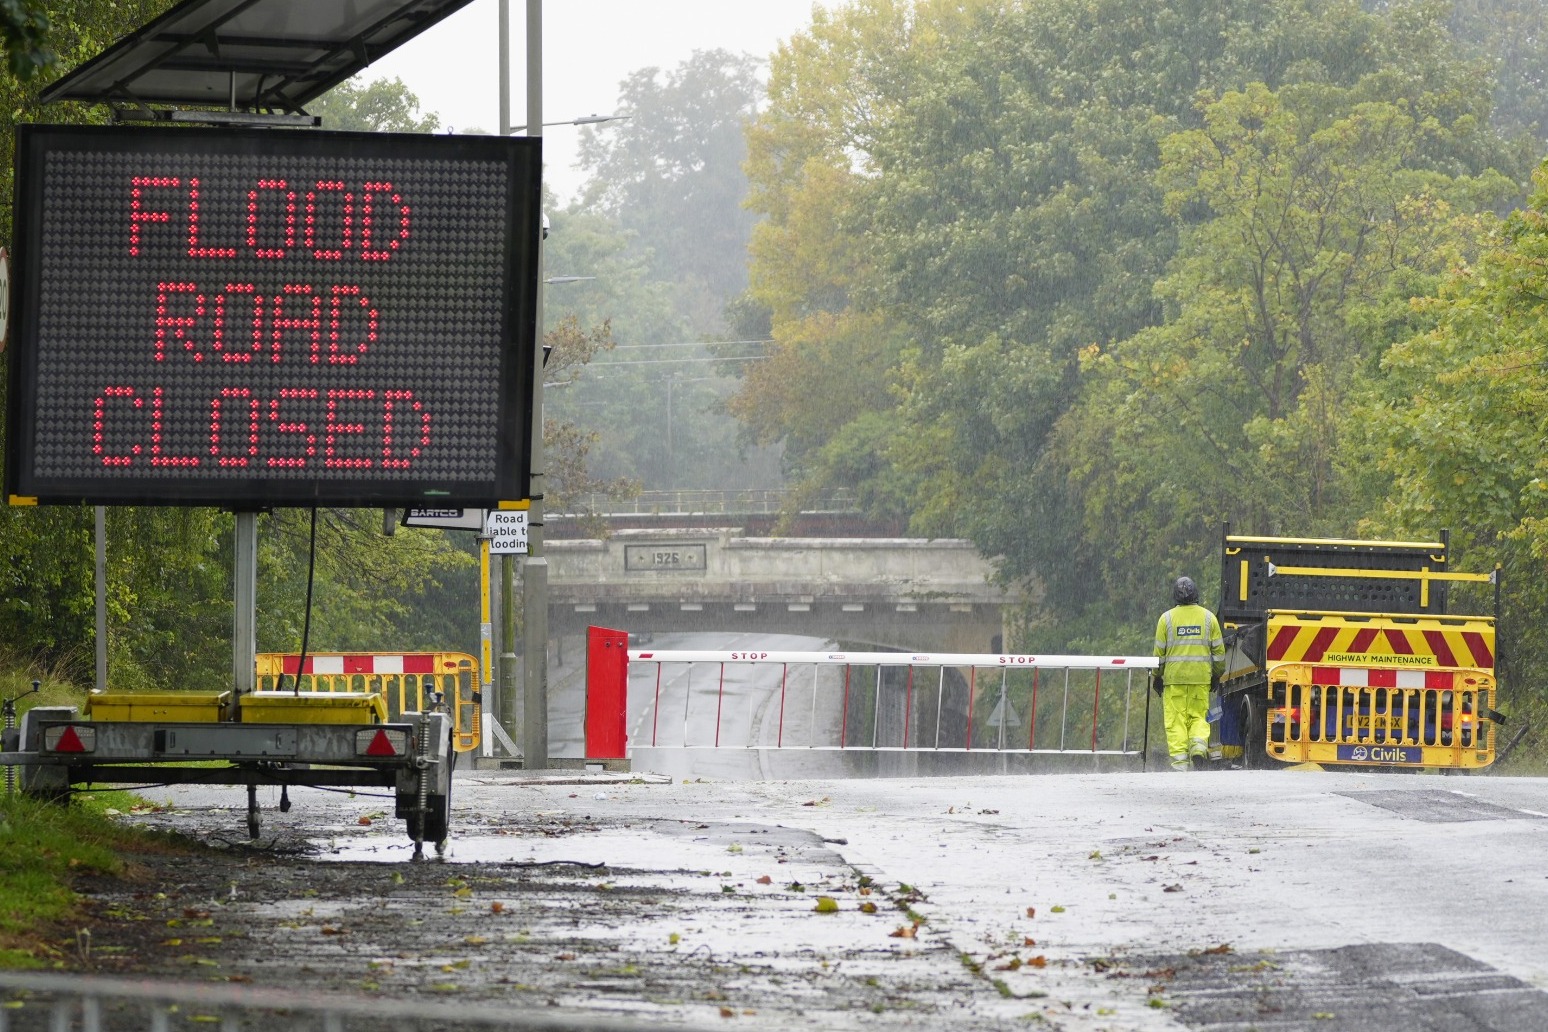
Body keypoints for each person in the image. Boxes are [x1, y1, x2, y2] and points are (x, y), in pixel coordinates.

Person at [1154, 576, 1225, 771]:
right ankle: (1198, 749)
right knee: (1199, 717)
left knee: (1176, 721)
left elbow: (1159, 655)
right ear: (1196, 594)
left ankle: (1180, 764)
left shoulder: (1165, 619)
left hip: (1174, 681)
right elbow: (1219, 654)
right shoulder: (1209, 618)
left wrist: (1157, 676)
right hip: (1200, 679)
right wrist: (1216, 675)